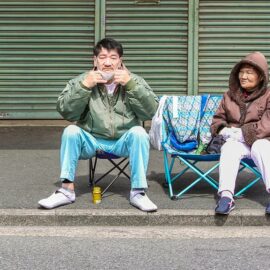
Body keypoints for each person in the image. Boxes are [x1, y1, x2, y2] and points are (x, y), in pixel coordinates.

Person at [38, 38, 159, 212]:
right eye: (102, 57)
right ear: (95, 60)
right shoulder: (82, 80)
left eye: (113, 57)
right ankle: (66, 190)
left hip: (122, 142)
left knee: (140, 132)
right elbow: (66, 112)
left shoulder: (135, 81)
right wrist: (85, 86)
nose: (108, 62)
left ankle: (138, 192)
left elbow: (151, 111)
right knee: (71, 131)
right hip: (92, 141)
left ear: (120, 61)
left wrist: (131, 85)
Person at [211, 51, 270, 215]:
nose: (243, 76)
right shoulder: (229, 96)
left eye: (249, 73)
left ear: (260, 76)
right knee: (230, 147)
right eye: (241, 72)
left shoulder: (268, 95)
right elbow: (217, 121)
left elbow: (268, 124)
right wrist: (225, 131)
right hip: (238, 143)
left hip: (264, 140)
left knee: (260, 146)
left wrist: (242, 133)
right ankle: (226, 196)